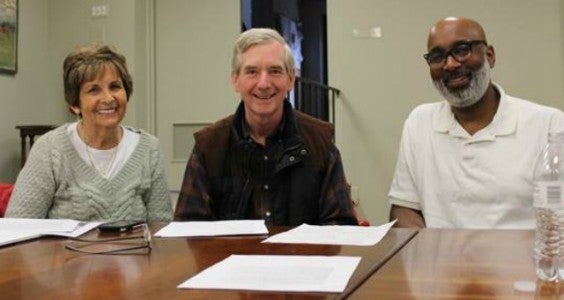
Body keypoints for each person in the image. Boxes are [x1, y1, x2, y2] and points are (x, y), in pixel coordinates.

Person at [388, 17, 564, 229]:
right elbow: (405, 207)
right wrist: (428, 258)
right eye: (437, 56)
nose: (450, 64)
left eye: (462, 50)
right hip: (438, 261)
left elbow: (557, 220)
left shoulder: (548, 125)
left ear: (489, 56)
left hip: (519, 261)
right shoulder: (419, 123)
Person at [174, 28, 358, 226]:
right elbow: (188, 232)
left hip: (301, 258)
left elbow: (341, 227)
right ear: (235, 80)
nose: (264, 84)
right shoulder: (208, 146)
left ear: (290, 79)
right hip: (228, 257)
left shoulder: (320, 141)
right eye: (252, 72)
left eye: (275, 71)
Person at [6, 44, 173, 222]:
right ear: (74, 103)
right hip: (62, 251)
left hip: (134, 251)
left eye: (115, 86)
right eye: (94, 90)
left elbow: (161, 231)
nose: (109, 98)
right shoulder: (49, 150)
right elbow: (18, 227)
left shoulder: (149, 148)